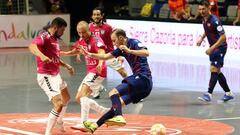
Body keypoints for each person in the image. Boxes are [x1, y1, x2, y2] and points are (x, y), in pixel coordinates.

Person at [81, 28, 153, 133]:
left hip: (143, 78)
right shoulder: (120, 49)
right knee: (116, 105)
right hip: (144, 88)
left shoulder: (133, 42)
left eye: (114, 41)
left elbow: (146, 53)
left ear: (121, 38)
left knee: (113, 93)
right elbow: (105, 56)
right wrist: (89, 54)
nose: (114, 44)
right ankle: (95, 126)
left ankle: (119, 116)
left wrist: (129, 51)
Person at [60, 21, 109, 131]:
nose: (81, 35)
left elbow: (102, 53)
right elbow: (76, 50)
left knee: (83, 96)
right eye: (79, 33)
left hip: (98, 71)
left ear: (89, 30)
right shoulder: (81, 40)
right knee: (79, 98)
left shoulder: (96, 40)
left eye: (83, 33)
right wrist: (65, 54)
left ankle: (84, 123)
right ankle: (105, 112)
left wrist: (100, 63)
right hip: (91, 72)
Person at [28, 17, 74, 135]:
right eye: (62, 30)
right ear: (55, 27)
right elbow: (32, 46)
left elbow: (55, 59)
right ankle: (48, 133)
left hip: (56, 75)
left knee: (67, 97)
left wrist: (66, 65)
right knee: (58, 104)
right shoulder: (45, 36)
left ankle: (59, 120)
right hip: (46, 76)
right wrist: (41, 56)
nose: (63, 33)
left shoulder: (55, 40)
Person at [77, 7, 128, 99]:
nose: (96, 16)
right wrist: (78, 53)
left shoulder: (109, 28)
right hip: (96, 57)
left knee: (123, 73)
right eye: (94, 15)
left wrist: (119, 55)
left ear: (102, 15)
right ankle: (97, 90)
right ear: (92, 16)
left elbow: (116, 40)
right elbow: (82, 40)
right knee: (93, 76)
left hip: (109, 55)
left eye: (98, 14)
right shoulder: (88, 27)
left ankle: (133, 90)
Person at [196, 0, 234, 103]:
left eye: (204, 9)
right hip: (214, 47)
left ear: (209, 8)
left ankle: (208, 94)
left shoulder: (215, 20)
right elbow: (207, 30)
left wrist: (212, 48)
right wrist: (201, 39)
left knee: (213, 69)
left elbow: (223, 37)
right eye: (200, 9)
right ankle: (228, 93)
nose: (202, 11)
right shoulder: (204, 19)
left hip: (220, 47)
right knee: (217, 71)